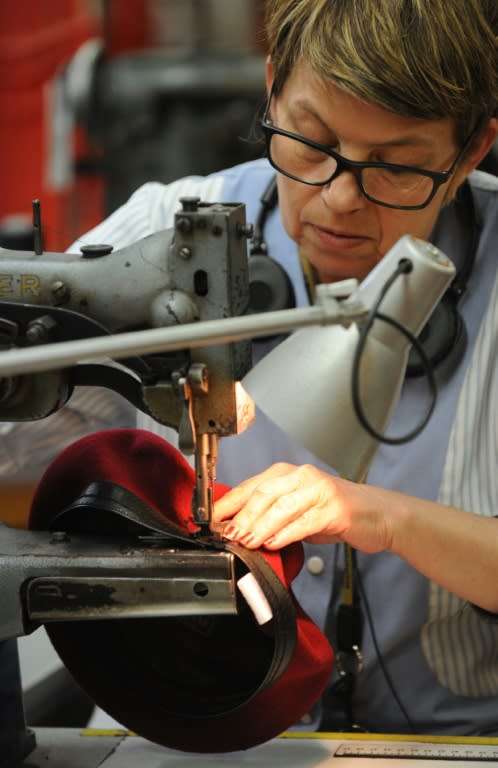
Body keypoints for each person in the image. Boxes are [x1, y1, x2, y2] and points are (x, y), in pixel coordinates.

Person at [2, 0, 498, 738]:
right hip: (195, 728)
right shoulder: (165, 230)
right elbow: (19, 451)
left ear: (470, 153)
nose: (338, 199)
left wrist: (386, 520)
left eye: (395, 165)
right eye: (311, 142)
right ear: (272, 89)